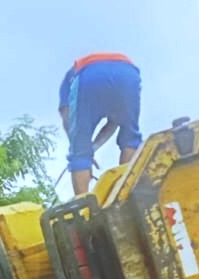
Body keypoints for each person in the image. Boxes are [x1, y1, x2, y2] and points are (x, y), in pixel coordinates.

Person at [58, 52, 142, 196]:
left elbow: (67, 116)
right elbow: (114, 123)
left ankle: (84, 210)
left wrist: (81, 149)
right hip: (127, 72)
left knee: (79, 153)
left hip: (88, 73)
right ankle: (127, 194)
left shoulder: (69, 79)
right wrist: (92, 148)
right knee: (130, 139)